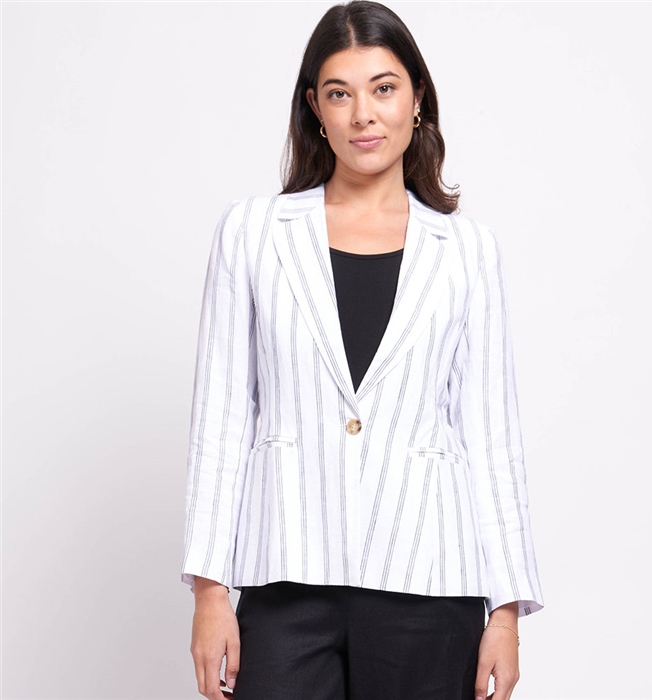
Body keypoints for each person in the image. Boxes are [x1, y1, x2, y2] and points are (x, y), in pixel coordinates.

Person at [181, 2, 544, 699]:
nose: (363, 115)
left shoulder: (468, 250)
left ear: (417, 99)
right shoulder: (253, 234)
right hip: (285, 575)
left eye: (383, 88)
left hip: (429, 579)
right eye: (339, 93)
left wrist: (506, 613)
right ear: (315, 108)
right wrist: (209, 590)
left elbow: (490, 434)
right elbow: (220, 418)